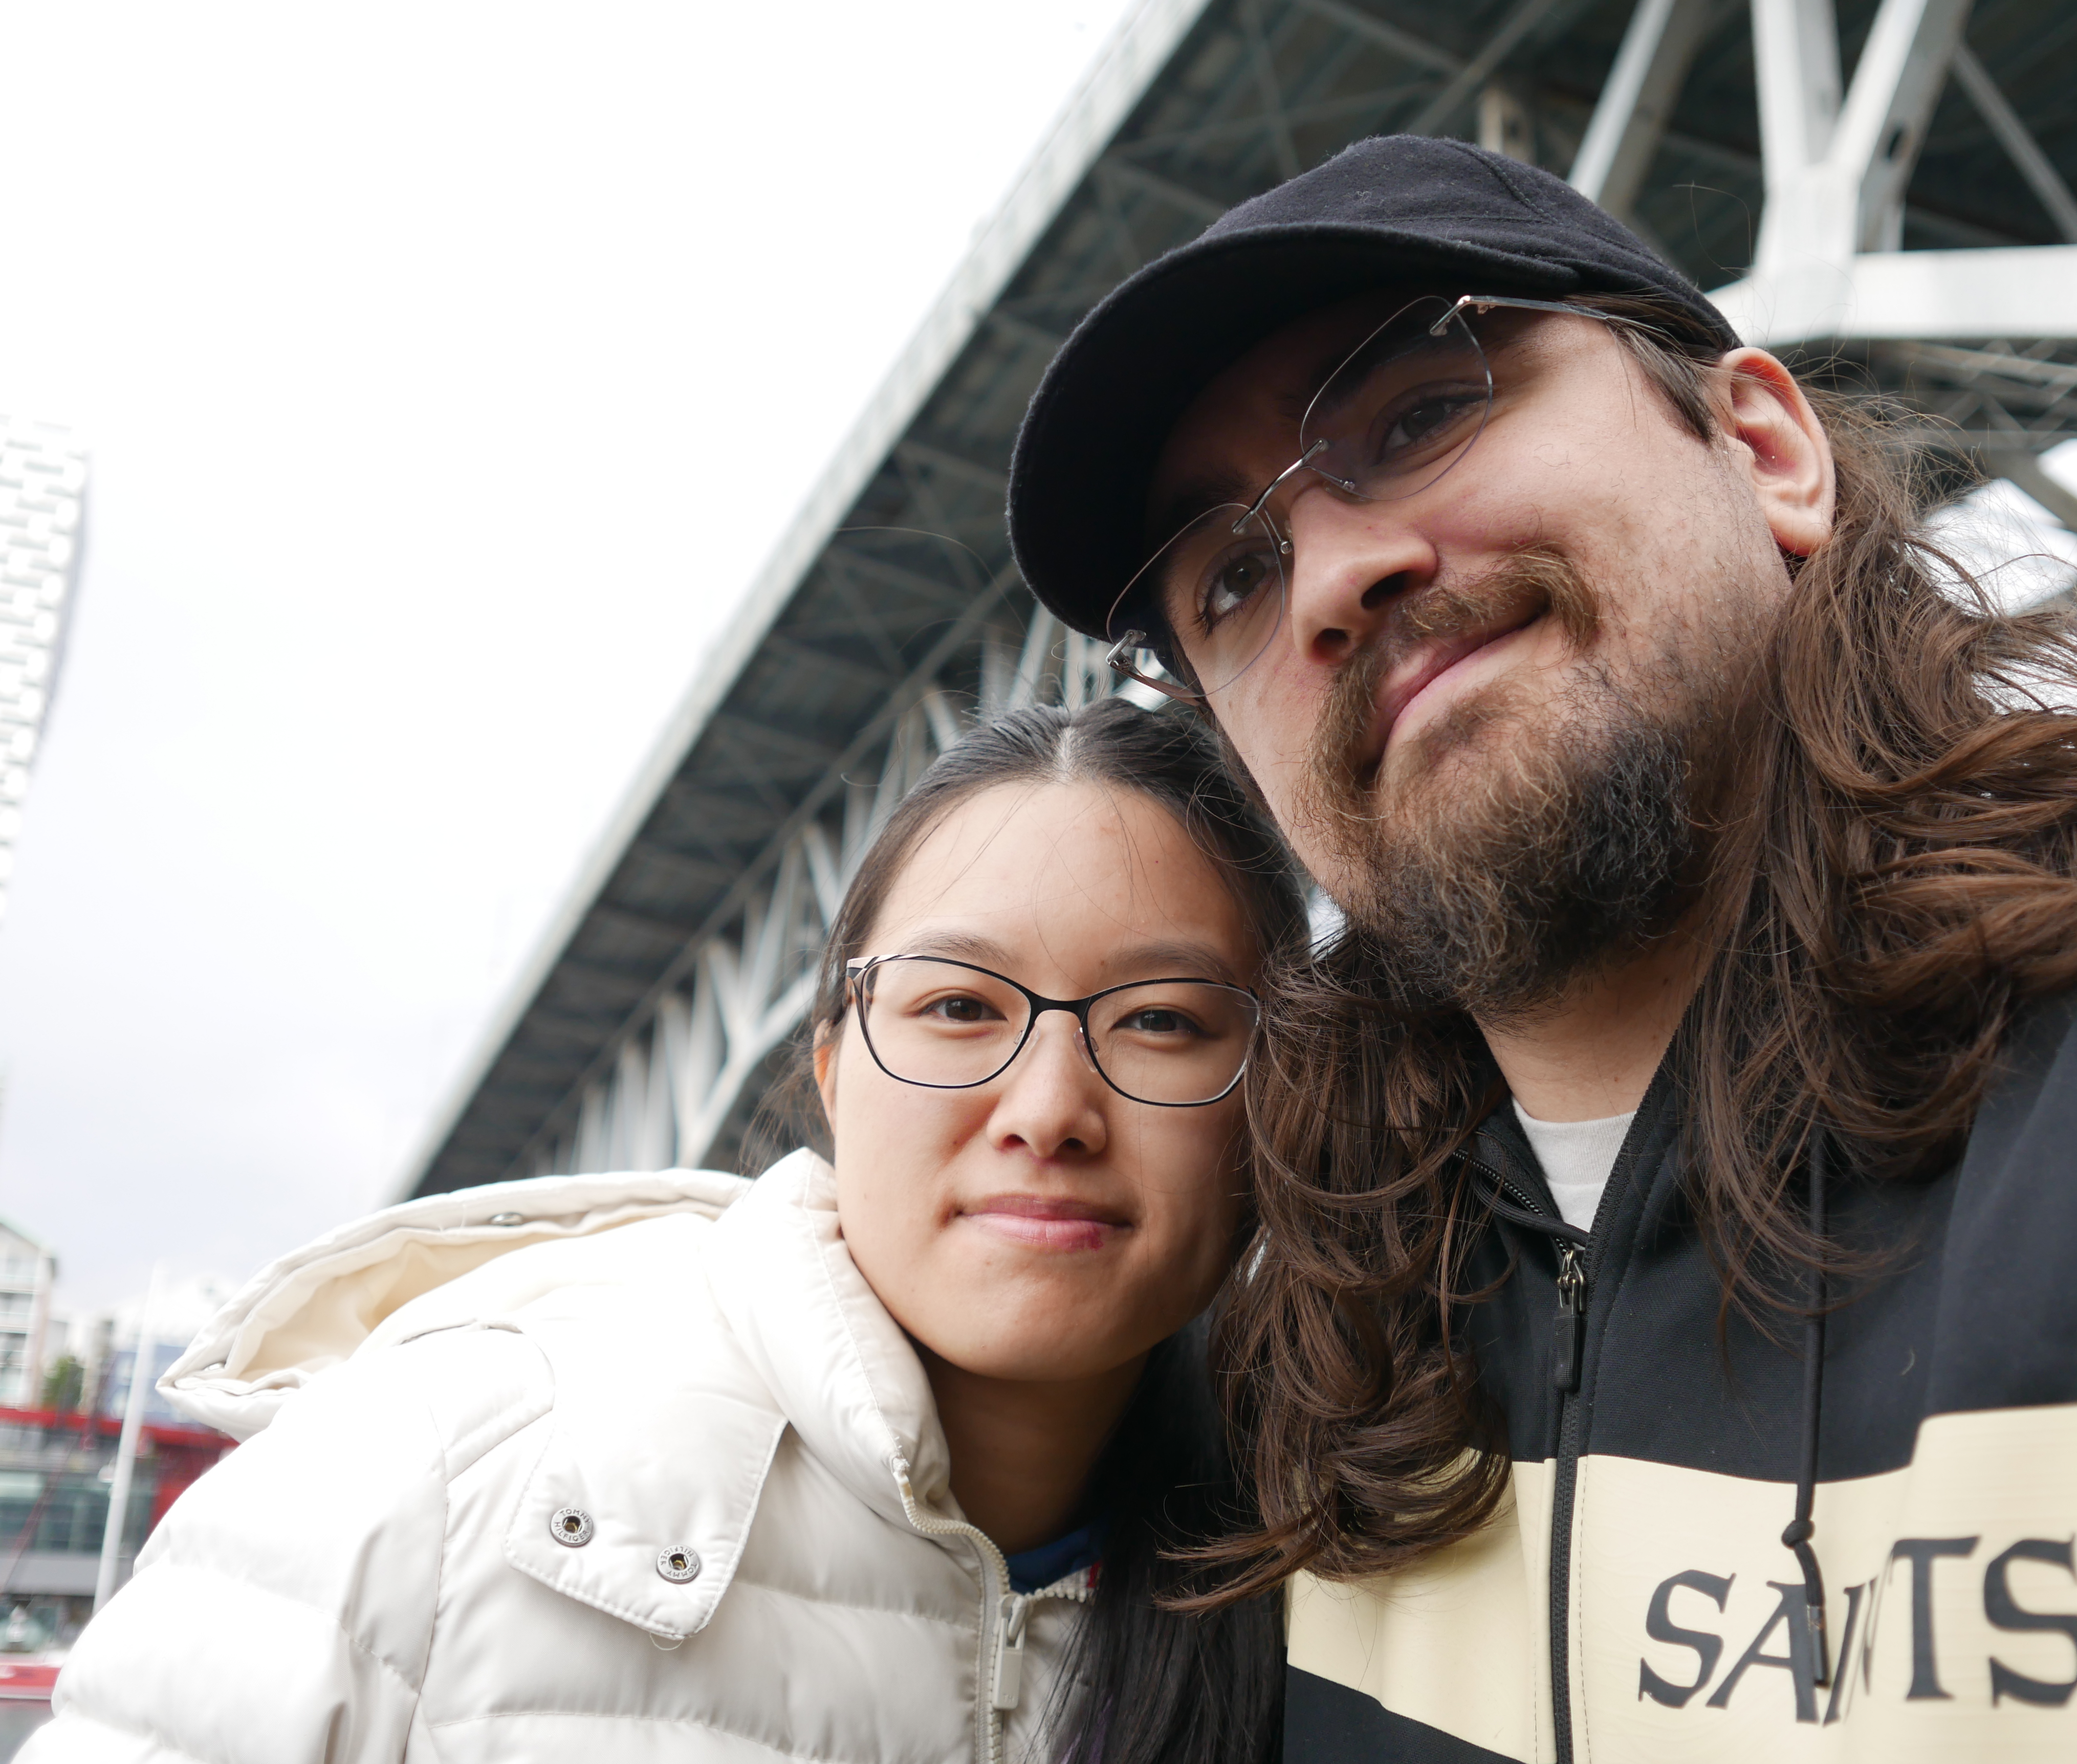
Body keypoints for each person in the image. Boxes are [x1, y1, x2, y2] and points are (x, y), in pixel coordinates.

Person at [1005, 135, 2077, 1760]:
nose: (1334, 582)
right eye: (1231, 575)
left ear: (1770, 449)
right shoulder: (1272, 1390)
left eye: (1424, 412)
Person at [30, 699, 1298, 1764]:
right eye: (960, 1004)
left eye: (1163, 1019)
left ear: (1283, 1096)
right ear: (832, 1069)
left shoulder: (1348, 1590)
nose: (1048, 1109)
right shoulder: (430, 1462)